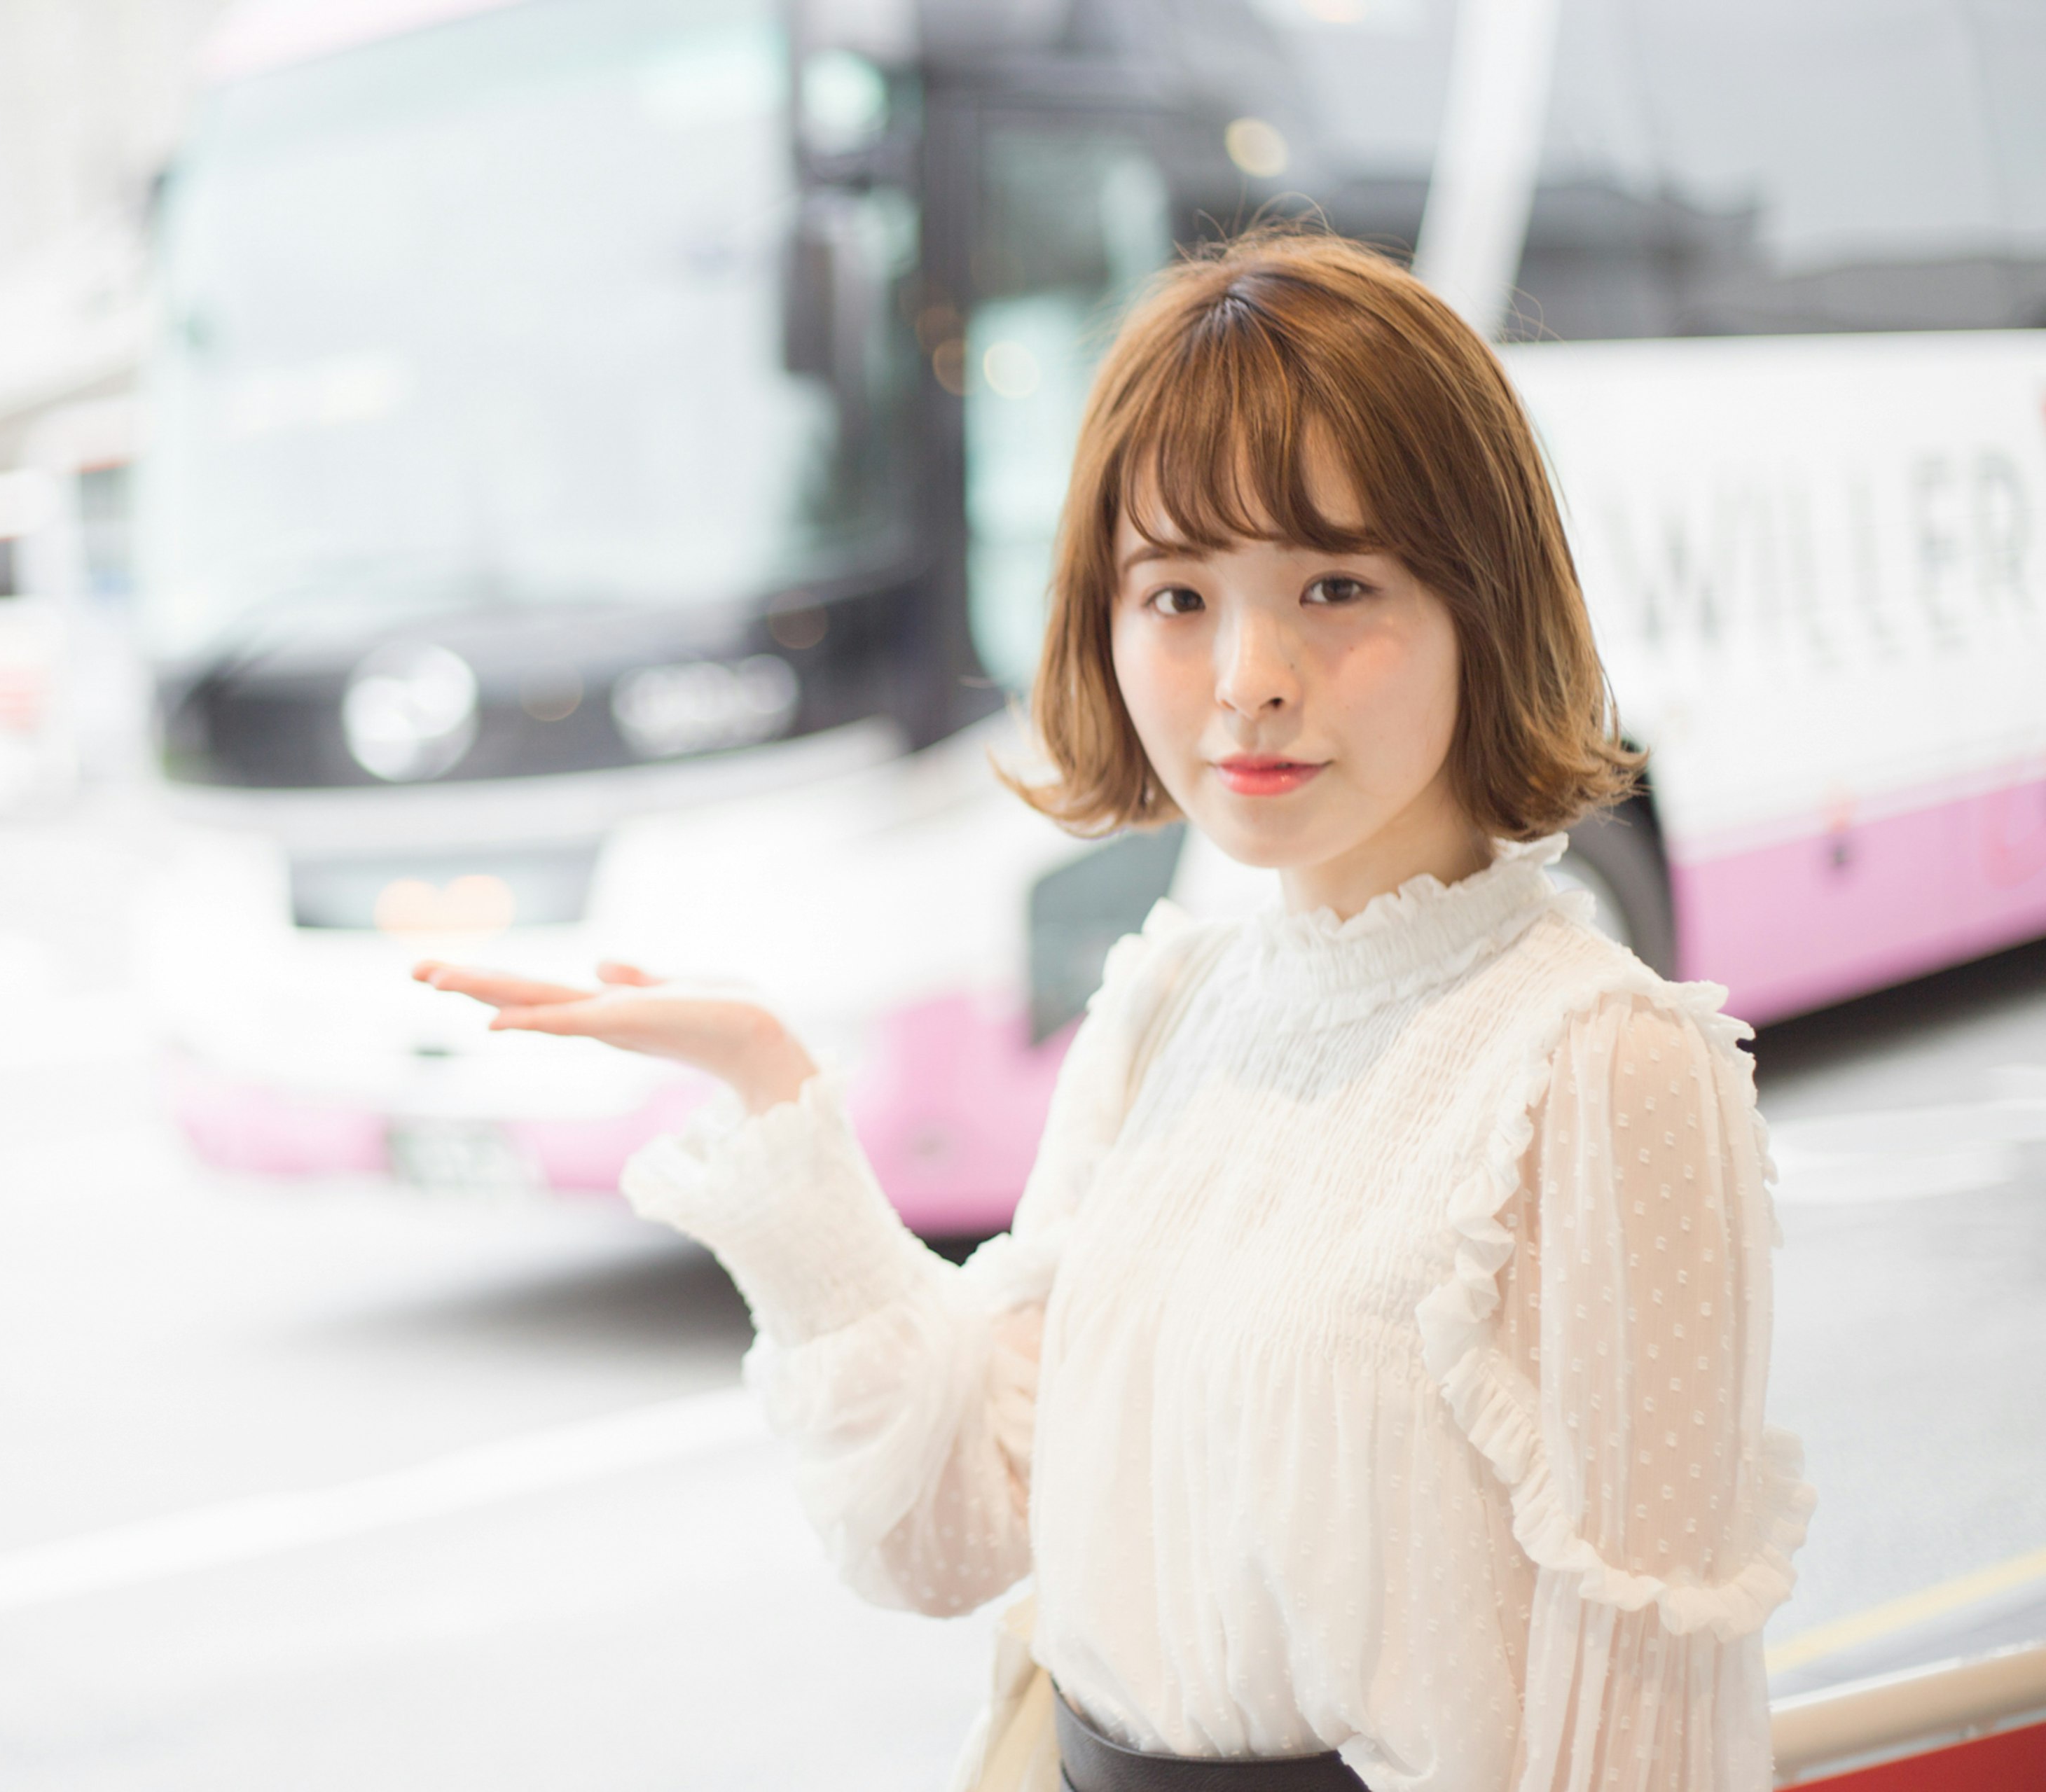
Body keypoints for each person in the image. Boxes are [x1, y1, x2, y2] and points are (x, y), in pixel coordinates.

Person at [414, 230, 1814, 1792]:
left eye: (1336, 584)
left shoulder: (1601, 1062)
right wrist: (775, 1098)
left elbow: (1639, 1715)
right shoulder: (1171, 1007)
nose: (1247, 675)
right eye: (1177, 593)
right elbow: (957, 1521)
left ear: (1482, 601)